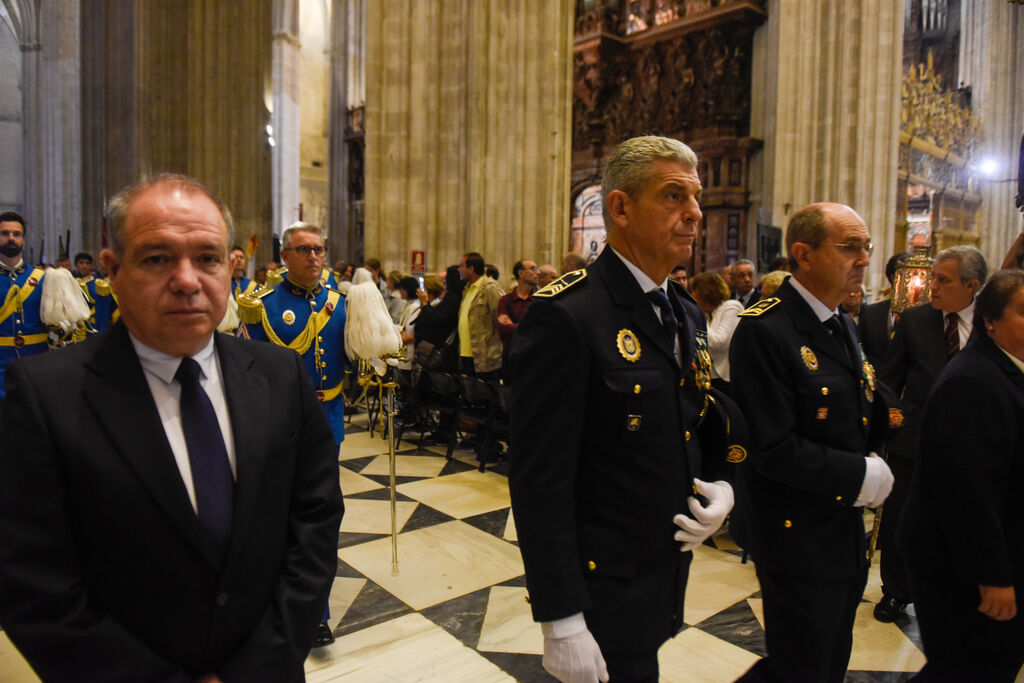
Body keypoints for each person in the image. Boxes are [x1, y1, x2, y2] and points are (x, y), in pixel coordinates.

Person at [0, 174, 344, 681]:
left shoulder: (278, 375)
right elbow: (33, 582)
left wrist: (263, 663)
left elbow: (315, 523)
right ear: (113, 270)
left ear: (230, 269)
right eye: (157, 258)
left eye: (206, 258)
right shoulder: (45, 395)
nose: (187, 280)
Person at [509, 135, 735, 683]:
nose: (694, 214)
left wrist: (725, 484)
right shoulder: (568, 315)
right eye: (674, 197)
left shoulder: (683, 310)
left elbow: (697, 417)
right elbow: (540, 479)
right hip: (600, 586)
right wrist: (561, 618)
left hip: (659, 573)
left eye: (697, 198)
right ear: (620, 207)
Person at [730, 203, 892, 682]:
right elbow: (772, 447)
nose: (863, 259)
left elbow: (854, 410)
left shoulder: (841, 321)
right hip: (793, 531)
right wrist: (861, 474)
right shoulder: (766, 328)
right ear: (803, 254)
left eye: (866, 247)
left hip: (841, 524)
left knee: (828, 657)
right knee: (801, 663)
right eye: (849, 248)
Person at [898, 269, 1024, 680]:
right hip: (961, 567)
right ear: (990, 321)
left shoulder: (1007, 368)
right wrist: (993, 577)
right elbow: (966, 492)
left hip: (994, 549)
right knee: (972, 667)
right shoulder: (972, 381)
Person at [875, 245, 987, 624]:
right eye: (933, 278)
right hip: (915, 437)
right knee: (900, 520)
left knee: (965, 521)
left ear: (971, 285)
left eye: (942, 280)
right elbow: (891, 377)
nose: (931, 287)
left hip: (975, 441)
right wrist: (895, 415)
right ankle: (895, 592)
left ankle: (961, 592)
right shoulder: (915, 319)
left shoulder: (993, 321)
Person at [240, 223, 349, 448]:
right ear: (285, 256)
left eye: (318, 250)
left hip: (330, 418)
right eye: (303, 250)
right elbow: (244, 368)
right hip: (282, 423)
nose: (313, 257)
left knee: (327, 482)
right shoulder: (262, 305)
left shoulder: (339, 304)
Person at [0, 211, 89, 405]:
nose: (11, 238)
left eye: (17, 234)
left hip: (38, 370)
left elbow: (67, 331)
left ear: (23, 239)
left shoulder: (47, 279)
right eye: (5, 233)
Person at [689, 272, 743, 390]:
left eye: (693, 292)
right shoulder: (708, 315)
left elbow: (719, 342)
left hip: (727, 378)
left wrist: (697, 317)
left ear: (704, 292)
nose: (691, 297)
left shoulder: (731, 307)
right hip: (710, 377)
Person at [457, 251, 503, 381]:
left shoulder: (490, 288)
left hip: (484, 356)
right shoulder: (467, 289)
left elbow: (499, 319)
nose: (459, 269)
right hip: (467, 353)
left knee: (486, 397)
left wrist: (493, 351)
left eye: (461, 266)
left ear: (471, 269)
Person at [858, 252, 908, 368]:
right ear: (893, 277)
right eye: (907, 275)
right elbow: (861, 352)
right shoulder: (871, 313)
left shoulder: (928, 316)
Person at [495, 259, 537, 364]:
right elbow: (503, 329)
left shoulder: (539, 300)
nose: (538, 272)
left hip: (533, 356)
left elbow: (538, 329)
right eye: (533, 269)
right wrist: (527, 327)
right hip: (510, 356)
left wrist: (512, 325)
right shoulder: (505, 300)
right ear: (521, 273)